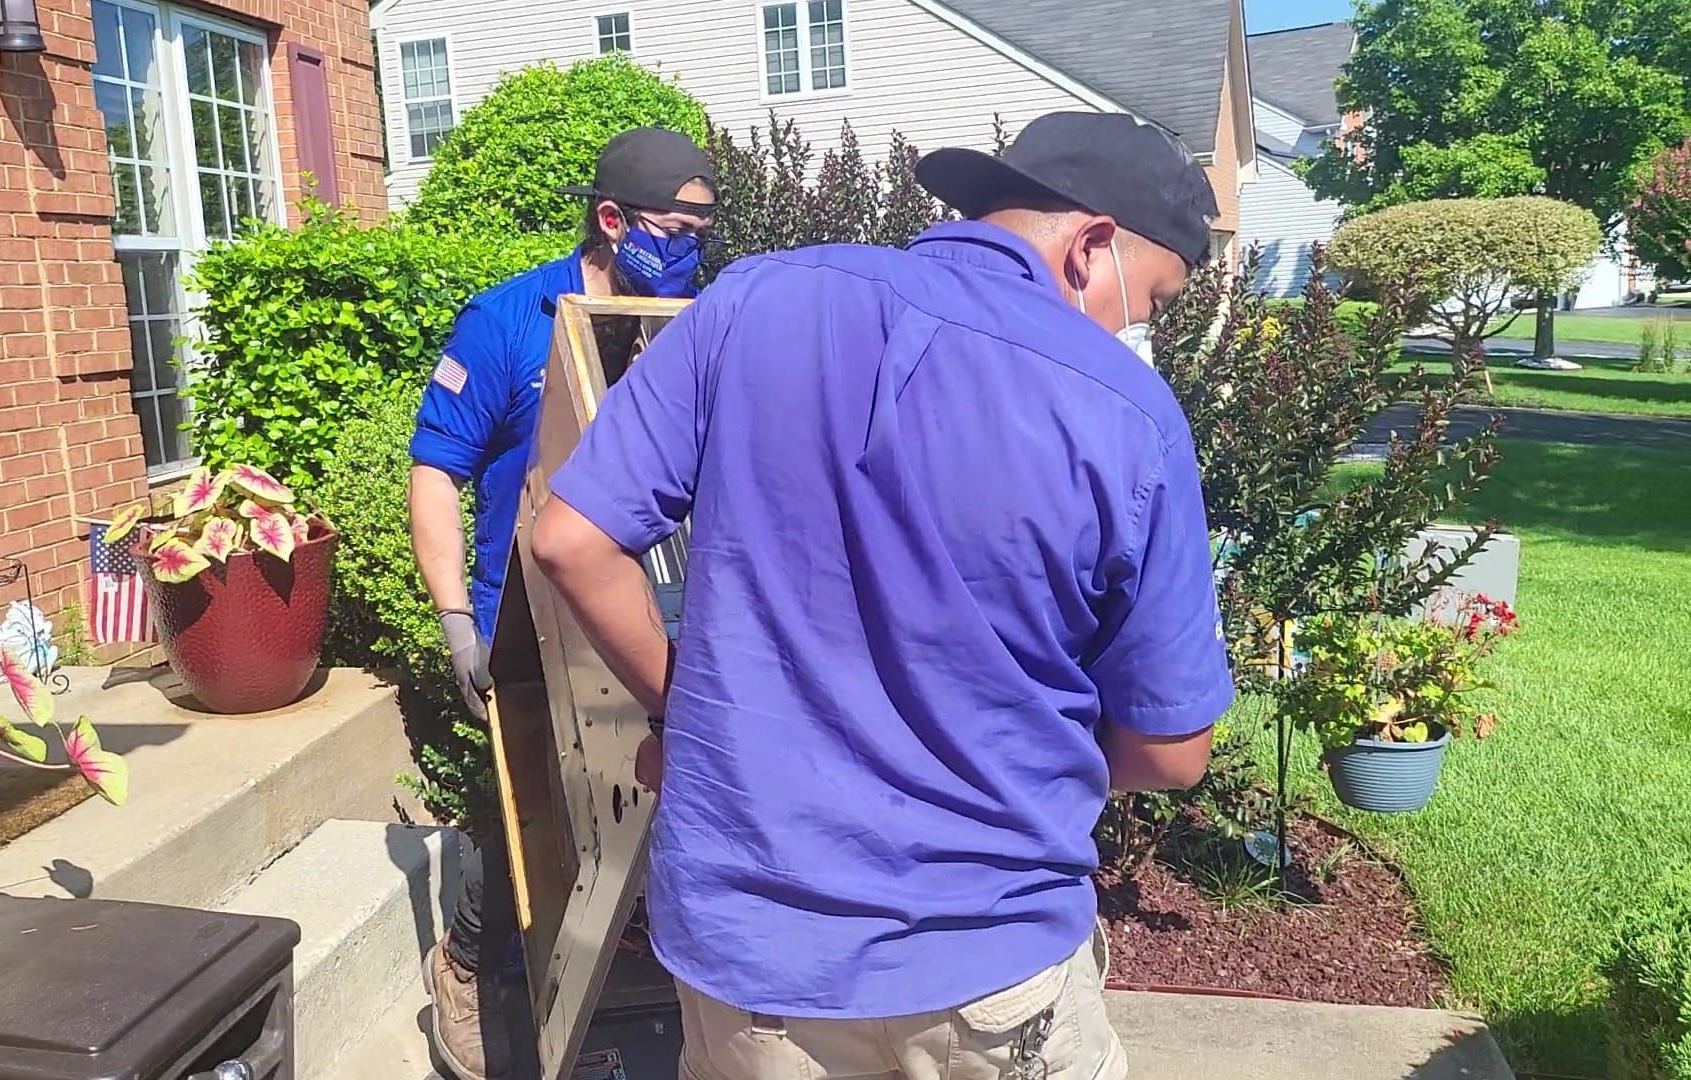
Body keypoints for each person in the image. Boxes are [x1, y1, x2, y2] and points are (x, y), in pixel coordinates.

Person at [531, 111, 1234, 1080]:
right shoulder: (1127, 413)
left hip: (752, 967)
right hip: (987, 964)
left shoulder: (751, 301)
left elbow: (569, 540)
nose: (1132, 330)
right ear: (1091, 247)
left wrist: (683, 709)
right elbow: (1170, 750)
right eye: (1145, 301)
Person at [407, 126, 717, 1080]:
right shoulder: (509, 320)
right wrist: (457, 616)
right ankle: (465, 964)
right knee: (529, 809)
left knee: (662, 807)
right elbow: (436, 469)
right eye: (677, 226)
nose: (689, 248)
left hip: (659, 607)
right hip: (529, 619)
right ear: (613, 220)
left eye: (704, 229)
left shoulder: (695, 322)